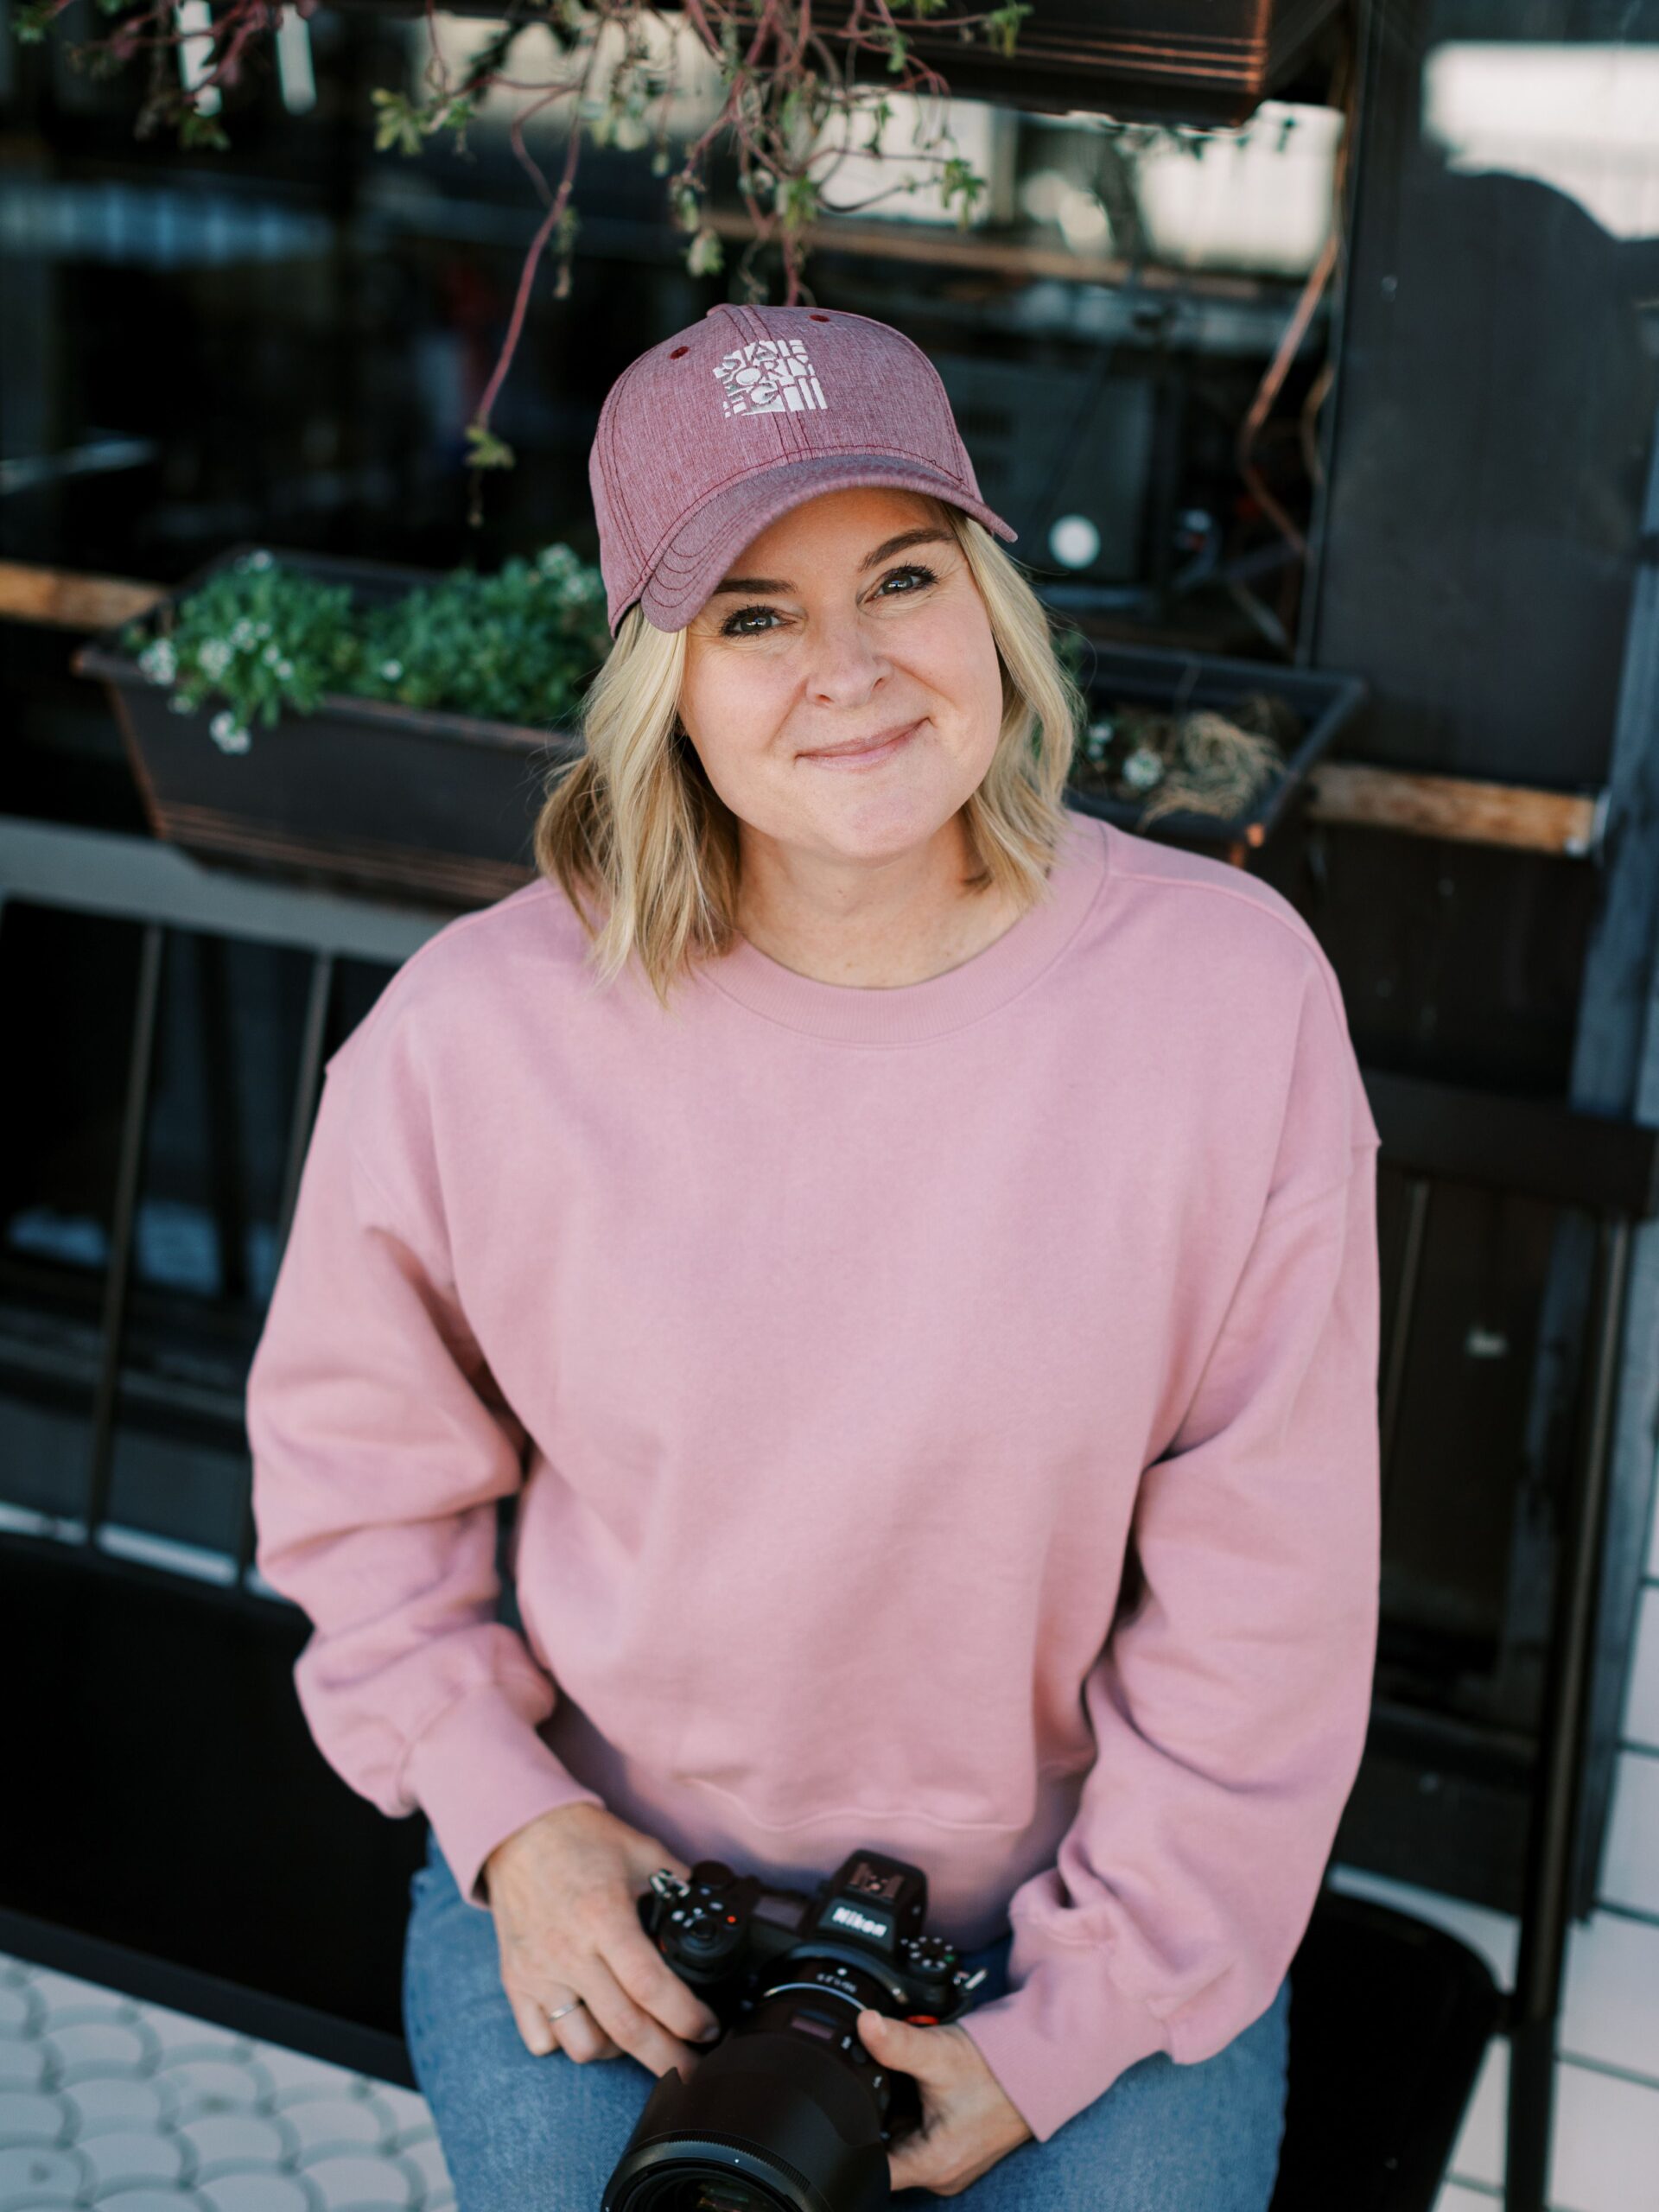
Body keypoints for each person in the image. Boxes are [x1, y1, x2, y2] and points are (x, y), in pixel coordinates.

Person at [246, 302, 1382, 2209]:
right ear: (660, 677)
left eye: (904, 577)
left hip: (1073, 1908)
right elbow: (358, 1490)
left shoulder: (1226, 998)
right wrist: (512, 1819)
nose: (850, 669)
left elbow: (1266, 1584)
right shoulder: (477, 1034)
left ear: (993, 601)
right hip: (624, 1883)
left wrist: (1070, 2011)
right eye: (757, 614)